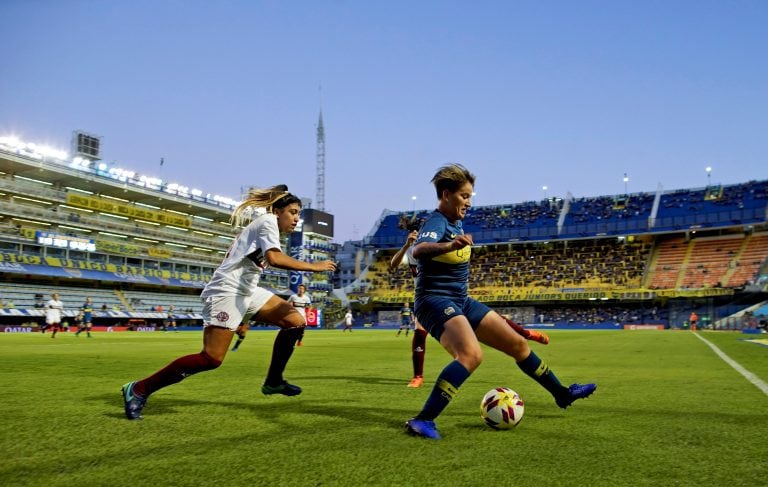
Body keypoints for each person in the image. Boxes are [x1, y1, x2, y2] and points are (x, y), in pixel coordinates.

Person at [404, 164, 596, 439]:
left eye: (470, 196)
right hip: (434, 300)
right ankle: (422, 420)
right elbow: (419, 249)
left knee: (518, 344)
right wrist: (450, 245)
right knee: (471, 355)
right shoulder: (437, 222)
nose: (469, 202)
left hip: (461, 300)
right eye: (464, 196)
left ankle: (562, 394)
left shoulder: (455, 222)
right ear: (446, 195)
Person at [121, 184, 337, 420]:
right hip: (226, 291)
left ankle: (274, 381)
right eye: (293, 212)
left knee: (295, 320)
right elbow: (274, 259)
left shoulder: (268, 226)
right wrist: (313, 266)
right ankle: (139, 389)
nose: (296, 219)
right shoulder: (267, 222)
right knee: (211, 358)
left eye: (299, 214)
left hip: (247, 291)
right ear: (277, 211)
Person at [389, 215, 551, 389]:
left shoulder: (437, 242)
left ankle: (526, 333)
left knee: (488, 319)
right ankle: (418, 377)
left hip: (451, 293)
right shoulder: (413, 249)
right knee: (419, 332)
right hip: (428, 297)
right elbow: (393, 264)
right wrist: (407, 245)